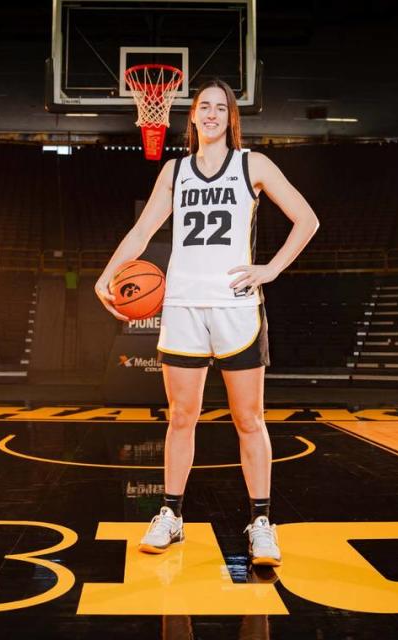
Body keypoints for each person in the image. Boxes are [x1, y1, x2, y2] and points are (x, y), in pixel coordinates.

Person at [94, 79, 319, 566]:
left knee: (248, 419)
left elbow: (307, 219)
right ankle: (171, 516)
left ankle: (261, 522)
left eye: (222, 107)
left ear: (230, 119)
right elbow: (143, 229)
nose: (213, 114)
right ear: (192, 117)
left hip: (236, 308)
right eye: (204, 107)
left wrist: (270, 269)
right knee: (181, 417)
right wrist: (108, 273)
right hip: (182, 307)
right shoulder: (175, 172)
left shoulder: (251, 164)